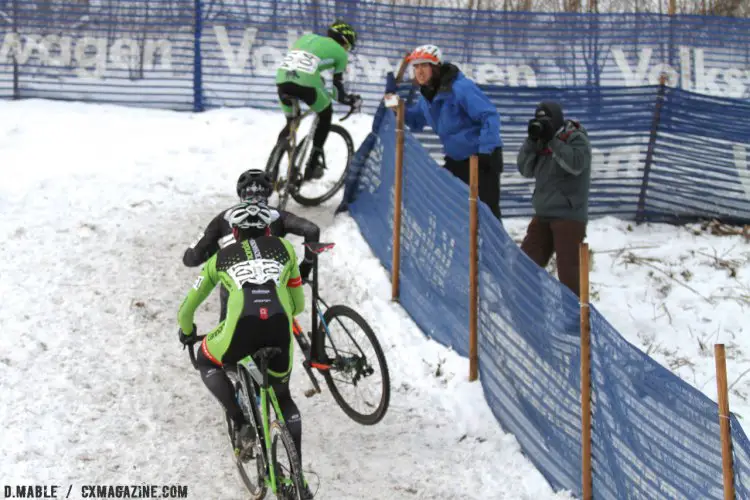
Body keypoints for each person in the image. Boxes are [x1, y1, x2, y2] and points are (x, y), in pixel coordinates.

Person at [176, 199, 314, 498]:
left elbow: (187, 310)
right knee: (283, 397)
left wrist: (187, 333)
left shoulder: (220, 258)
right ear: (268, 230)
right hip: (278, 327)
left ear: (234, 233)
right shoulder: (285, 249)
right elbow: (298, 305)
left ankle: (240, 422)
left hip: (239, 328)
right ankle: (299, 478)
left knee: (207, 360)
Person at [182, 169, 329, 367]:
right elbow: (312, 230)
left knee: (229, 342)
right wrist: (305, 267)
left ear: (240, 194)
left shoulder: (224, 218)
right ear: (268, 193)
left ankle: (235, 374)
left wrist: (215, 251)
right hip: (275, 286)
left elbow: (190, 258)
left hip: (239, 290)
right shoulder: (276, 215)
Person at [390, 44, 504, 219]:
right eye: (416, 67)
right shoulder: (428, 96)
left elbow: (489, 116)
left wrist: (486, 151)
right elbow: (416, 121)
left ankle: (497, 247)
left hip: (481, 160)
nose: (419, 71)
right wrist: (398, 108)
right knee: (451, 211)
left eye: (424, 65)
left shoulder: (461, 88)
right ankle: (461, 246)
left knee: (487, 218)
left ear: (435, 67)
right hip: (456, 161)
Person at [517, 101, 592, 297]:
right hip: (543, 214)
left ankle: (576, 322)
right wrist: (531, 141)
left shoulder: (575, 138)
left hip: (569, 215)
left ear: (556, 120)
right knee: (525, 265)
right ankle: (534, 314)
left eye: (546, 121)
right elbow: (525, 170)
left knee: (569, 273)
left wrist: (554, 141)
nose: (542, 125)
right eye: (539, 121)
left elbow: (576, 164)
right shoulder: (541, 141)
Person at [276, 20, 362, 181]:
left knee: (291, 124)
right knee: (325, 114)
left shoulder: (306, 39)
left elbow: (301, 65)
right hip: (306, 83)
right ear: (346, 41)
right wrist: (351, 101)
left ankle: (273, 170)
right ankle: (312, 164)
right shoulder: (341, 53)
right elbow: (338, 93)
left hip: (281, 80)